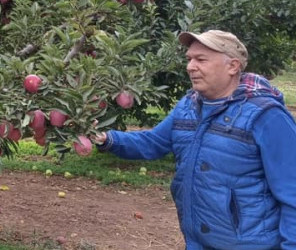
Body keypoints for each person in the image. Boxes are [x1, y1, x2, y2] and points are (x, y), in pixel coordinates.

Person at [93, 30, 296, 249]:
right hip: (197, 241)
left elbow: (292, 192)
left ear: (233, 66)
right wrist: (106, 138)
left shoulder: (266, 116)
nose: (190, 66)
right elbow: (153, 142)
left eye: (201, 59)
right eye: (189, 59)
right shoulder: (189, 105)